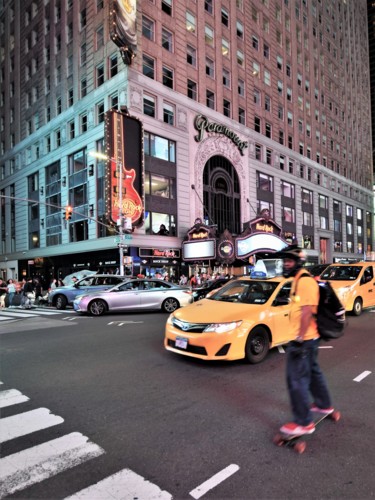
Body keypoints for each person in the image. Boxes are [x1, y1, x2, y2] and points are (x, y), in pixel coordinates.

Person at [275, 244, 334, 437]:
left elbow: (307, 311)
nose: (286, 265)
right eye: (284, 261)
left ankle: (303, 422)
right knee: (313, 373)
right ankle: (324, 404)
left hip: (304, 339)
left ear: (299, 262)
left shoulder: (305, 282)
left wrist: (299, 338)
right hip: (309, 339)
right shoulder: (298, 280)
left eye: (289, 261)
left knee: (296, 379)